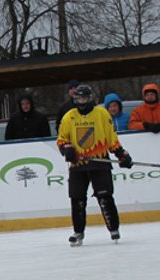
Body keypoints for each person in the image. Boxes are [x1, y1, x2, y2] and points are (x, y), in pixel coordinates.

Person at [56, 84, 134, 246]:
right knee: (77, 199)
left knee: (105, 197)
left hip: (99, 162)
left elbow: (111, 138)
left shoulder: (101, 113)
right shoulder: (69, 116)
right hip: (78, 165)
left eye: (84, 97)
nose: (81, 101)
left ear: (90, 98)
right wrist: (67, 149)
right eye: (78, 98)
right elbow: (62, 139)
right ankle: (78, 232)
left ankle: (113, 228)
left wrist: (121, 154)